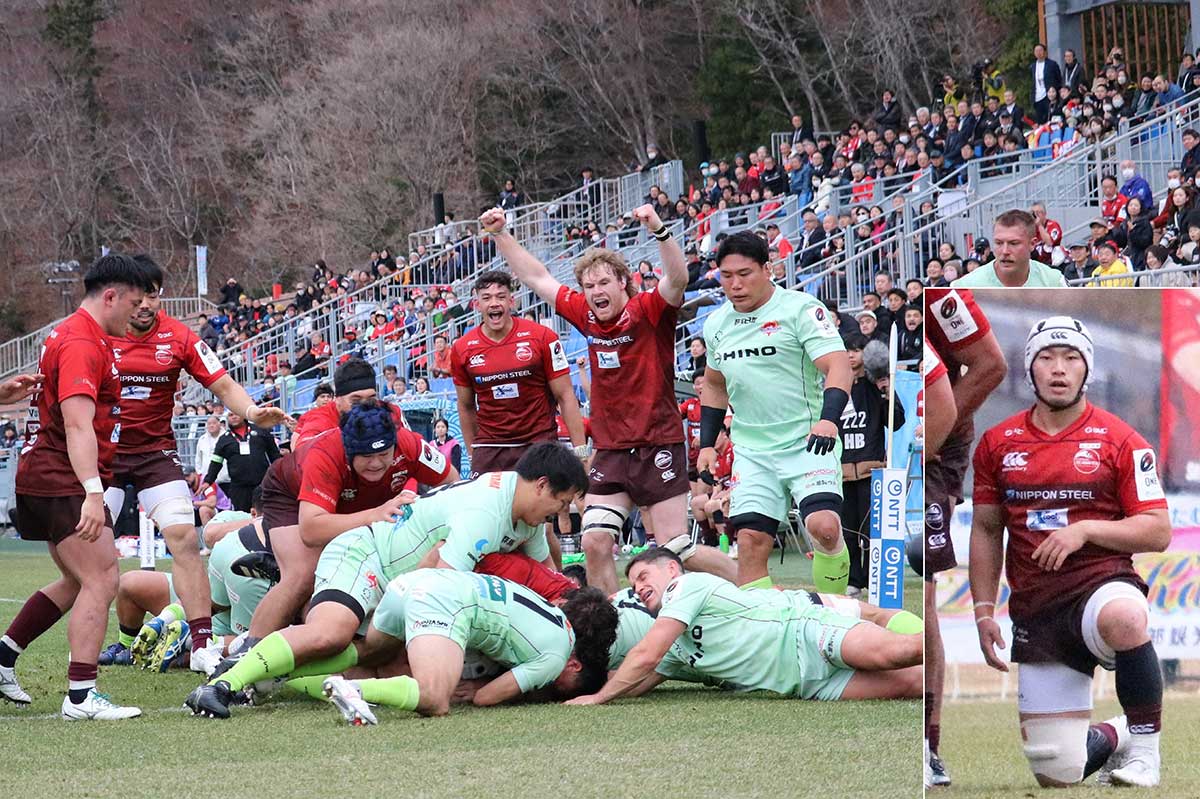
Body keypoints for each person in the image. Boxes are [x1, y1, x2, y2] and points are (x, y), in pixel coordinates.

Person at [185, 442, 586, 719]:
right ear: (541, 486)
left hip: (403, 578)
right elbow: (440, 586)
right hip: (366, 554)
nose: (561, 511)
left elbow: (545, 581)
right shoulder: (484, 512)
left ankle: (265, 667)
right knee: (330, 633)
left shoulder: (525, 518)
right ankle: (225, 681)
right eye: (562, 502)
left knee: (376, 657)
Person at [480, 204, 736, 596]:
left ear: (623, 282)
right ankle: (615, 624)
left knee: (674, 550)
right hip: (613, 451)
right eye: (589, 285)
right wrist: (501, 233)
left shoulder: (648, 310)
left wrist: (659, 230)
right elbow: (536, 276)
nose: (596, 291)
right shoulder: (585, 314)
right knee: (594, 541)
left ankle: (752, 587)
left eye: (604, 283)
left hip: (658, 444)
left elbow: (678, 278)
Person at [971, 316, 1170, 788]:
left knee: (1125, 616)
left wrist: (1085, 532)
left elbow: (1158, 530)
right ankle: (1120, 735)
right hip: (1038, 610)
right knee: (1056, 772)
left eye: (1071, 358)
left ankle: (1146, 752)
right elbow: (984, 528)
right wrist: (983, 610)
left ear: (1087, 371)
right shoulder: (997, 444)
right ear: (1029, 369)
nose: (1059, 368)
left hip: (1100, 588)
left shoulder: (1121, 440)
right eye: (1046, 357)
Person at [104, 255, 291, 667]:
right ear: (118, 298)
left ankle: (202, 648)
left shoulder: (180, 337)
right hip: (106, 455)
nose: (146, 305)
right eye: (137, 297)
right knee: (94, 557)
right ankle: (78, 659)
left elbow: (222, 382)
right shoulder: (97, 334)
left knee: (186, 539)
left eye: (153, 295)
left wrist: (255, 411)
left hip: (155, 455)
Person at [0, 253, 156, 719]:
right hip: (60, 476)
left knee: (76, 580)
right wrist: (92, 490)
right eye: (133, 302)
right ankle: (82, 697)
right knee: (102, 576)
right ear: (110, 296)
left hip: (48, 473)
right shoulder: (82, 341)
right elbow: (77, 424)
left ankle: (4, 656)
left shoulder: (73, 333)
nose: (139, 312)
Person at [564, 549, 923, 706]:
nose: (639, 587)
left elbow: (645, 654)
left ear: (672, 570)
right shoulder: (676, 650)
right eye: (633, 583)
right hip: (807, 683)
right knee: (914, 682)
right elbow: (634, 679)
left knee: (897, 651)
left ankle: (950, 632)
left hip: (805, 630)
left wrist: (597, 699)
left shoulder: (686, 587)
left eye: (643, 576)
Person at [697, 231, 853, 591]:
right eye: (726, 276)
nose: (735, 284)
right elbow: (716, 385)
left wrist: (829, 420)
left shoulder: (799, 309)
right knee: (751, 542)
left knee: (824, 528)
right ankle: (762, 630)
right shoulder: (716, 324)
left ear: (768, 269)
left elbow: (838, 365)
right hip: (753, 451)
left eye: (745, 274)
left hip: (808, 442)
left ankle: (835, 618)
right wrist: (708, 443)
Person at [316, 571, 617, 724]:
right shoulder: (556, 655)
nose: (552, 687)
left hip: (413, 582)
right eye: (560, 688)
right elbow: (485, 697)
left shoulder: (546, 606)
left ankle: (282, 668)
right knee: (435, 698)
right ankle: (356, 691)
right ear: (575, 664)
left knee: (370, 655)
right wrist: (484, 689)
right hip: (443, 602)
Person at [923, 287, 1008, 787]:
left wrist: (930, 431)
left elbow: (990, 365)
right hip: (865, 443)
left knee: (924, 591)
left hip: (931, 455)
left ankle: (927, 745)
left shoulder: (938, 296)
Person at [450, 270, 587, 475]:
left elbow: (565, 395)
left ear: (511, 302)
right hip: (491, 449)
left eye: (501, 297)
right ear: (477, 305)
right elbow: (466, 406)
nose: (494, 303)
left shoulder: (542, 337)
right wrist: (473, 454)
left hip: (539, 444)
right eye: (486, 298)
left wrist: (581, 452)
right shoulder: (462, 348)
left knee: (551, 507)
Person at [839, 335, 905, 595]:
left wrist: (887, 391)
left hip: (872, 469)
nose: (851, 355)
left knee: (872, 531)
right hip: (843, 472)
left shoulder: (875, 384)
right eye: (847, 350)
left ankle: (873, 579)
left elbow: (896, 421)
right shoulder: (836, 386)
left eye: (856, 350)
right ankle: (854, 580)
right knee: (848, 532)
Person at [954, 210, 1069, 287]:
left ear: (1032, 244)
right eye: (999, 243)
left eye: (1013, 243)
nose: (1005, 251)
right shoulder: (966, 286)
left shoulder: (1054, 281)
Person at [201, 409, 280, 512]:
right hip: (239, 488)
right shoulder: (224, 440)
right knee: (242, 518)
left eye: (236, 413)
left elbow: (274, 455)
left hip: (262, 484)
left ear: (243, 414)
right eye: (230, 415)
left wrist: (280, 473)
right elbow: (216, 462)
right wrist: (208, 480)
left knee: (264, 515)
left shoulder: (261, 431)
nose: (233, 417)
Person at [1031, 43, 1063, 124]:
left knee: (1049, 119)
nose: (1038, 53)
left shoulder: (1052, 64)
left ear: (1045, 52)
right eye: (1036, 51)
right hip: (1037, 97)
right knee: (1040, 121)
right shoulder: (1033, 66)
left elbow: (1058, 79)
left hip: (1049, 96)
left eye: (1040, 50)